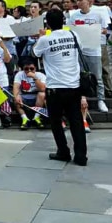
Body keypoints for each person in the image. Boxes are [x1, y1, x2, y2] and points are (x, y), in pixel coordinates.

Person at [33, 9, 88, 167]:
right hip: (73, 84)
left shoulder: (46, 39)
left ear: (47, 23)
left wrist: (41, 37)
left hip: (55, 87)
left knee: (56, 121)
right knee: (76, 121)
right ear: (63, 21)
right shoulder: (73, 35)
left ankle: (63, 151)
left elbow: (34, 53)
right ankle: (81, 156)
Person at [68, 0, 109, 113]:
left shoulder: (98, 14)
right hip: (80, 50)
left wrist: (95, 31)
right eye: (77, 0)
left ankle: (101, 100)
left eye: (81, 0)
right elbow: (70, 30)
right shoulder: (74, 16)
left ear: (88, 1)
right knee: (80, 75)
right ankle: (82, 98)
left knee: (97, 76)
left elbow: (105, 30)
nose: (78, 2)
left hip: (94, 49)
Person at [12, 58, 46, 130]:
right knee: (16, 97)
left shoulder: (40, 75)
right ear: (23, 69)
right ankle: (24, 118)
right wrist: (16, 96)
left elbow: (42, 89)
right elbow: (16, 87)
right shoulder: (19, 74)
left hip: (36, 97)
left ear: (35, 68)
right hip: (24, 96)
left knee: (42, 94)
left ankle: (37, 117)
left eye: (31, 68)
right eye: (26, 69)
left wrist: (34, 77)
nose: (29, 70)